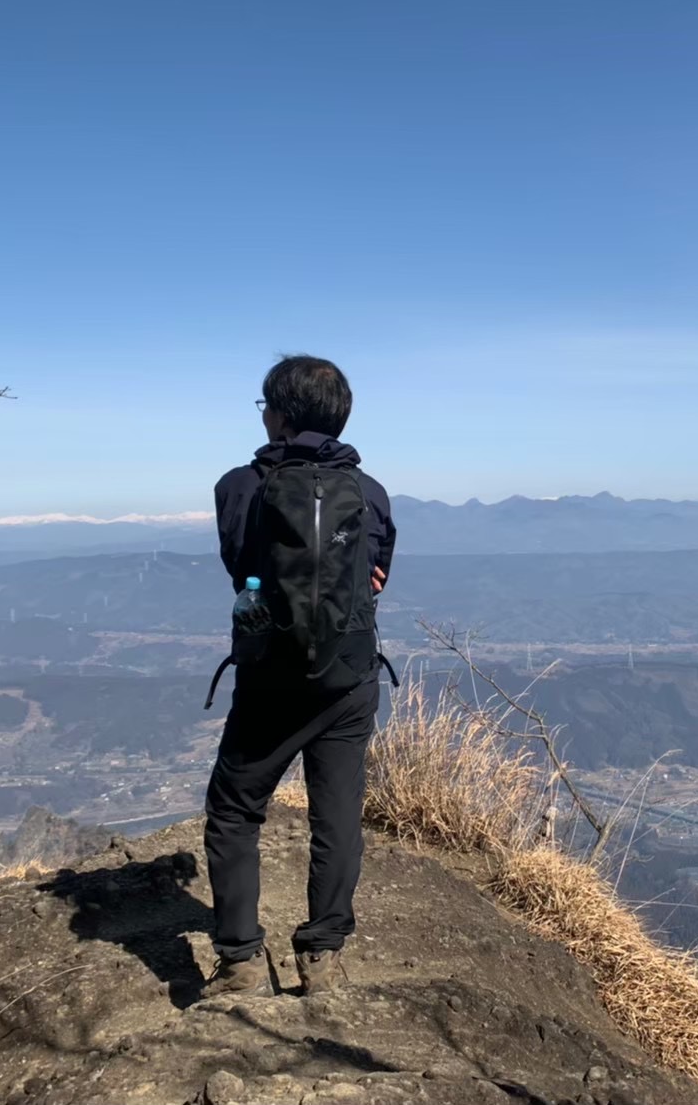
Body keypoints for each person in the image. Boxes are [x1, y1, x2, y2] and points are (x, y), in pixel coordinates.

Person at [203, 354, 395, 997]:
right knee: (336, 813)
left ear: (279, 415)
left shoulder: (238, 485)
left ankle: (241, 964)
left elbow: (240, 566)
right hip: (347, 680)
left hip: (270, 682)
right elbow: (375, 580)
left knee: (235, 809)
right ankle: (323, 956)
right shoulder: (370, 494)